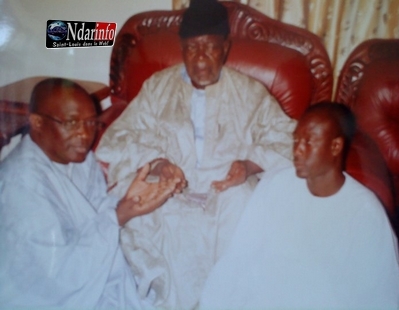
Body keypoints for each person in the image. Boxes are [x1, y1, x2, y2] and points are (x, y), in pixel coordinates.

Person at [95, 0, 296, 308]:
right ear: (181, 49)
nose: (200, 58)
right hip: (168, 195)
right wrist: (160, 164)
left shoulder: (251, 93)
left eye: (210, 47)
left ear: (225, 48)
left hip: (228, 197)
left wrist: (248, 164)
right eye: (191, 48)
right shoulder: (157, 88)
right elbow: (118, 137)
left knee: (247, 228)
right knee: (137, 219)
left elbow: (289, 140)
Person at [199, 102, 399, 309]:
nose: (297, 150)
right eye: (296, 139)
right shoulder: (276, 184)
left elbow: (378, 296)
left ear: (335, 146)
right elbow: (238, 258)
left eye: (308, 142)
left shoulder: (364, 212)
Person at [0, 78, 179, 308]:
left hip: (94, 275)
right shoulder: (21, 185)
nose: (85, 135)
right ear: (37, 122)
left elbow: (96, 212)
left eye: (91, 123)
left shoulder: (77, 158)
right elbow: (56, 281)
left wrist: (128, 202)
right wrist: (119, 216)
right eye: (72, 123)